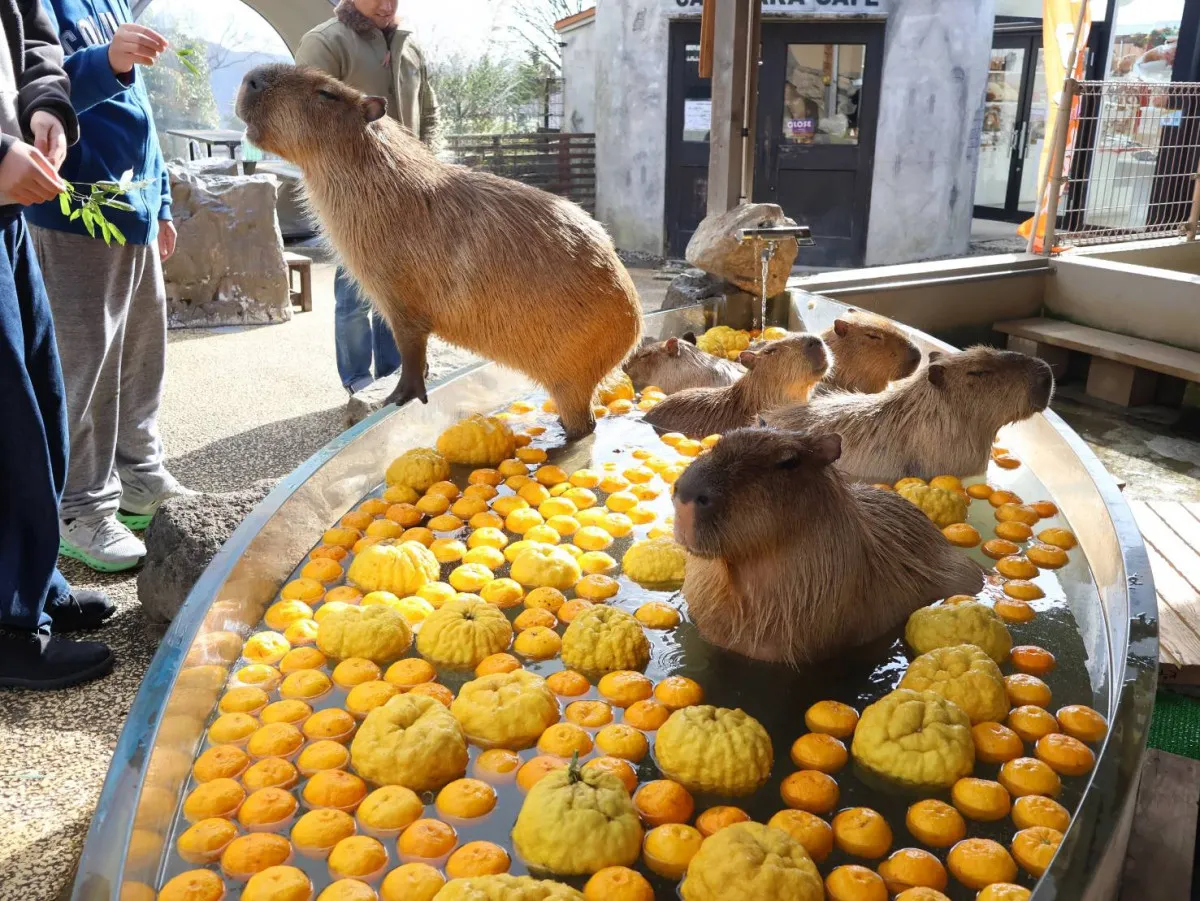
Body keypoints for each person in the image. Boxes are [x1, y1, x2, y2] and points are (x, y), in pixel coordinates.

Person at [27, 0, 193, 573]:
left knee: (142, 357)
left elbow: (139, 110)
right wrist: (105, 60)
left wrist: (162, 200)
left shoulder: (115, 3)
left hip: (135, 209)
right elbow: (30, 94)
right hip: (71, 211)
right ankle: (80, 506)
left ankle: (141, 476)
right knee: (85, 365)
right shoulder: (37, 8)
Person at [0, 0, 116, 689]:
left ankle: (31, 582)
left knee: (38, 399)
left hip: (8, 212)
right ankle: (9, 623)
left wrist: (46, 106)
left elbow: (34, 35)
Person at [295, 0, 440, 394]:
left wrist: (432, 171)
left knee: (404, 290)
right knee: (354, 291)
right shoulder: (326, 43)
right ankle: (357, 380)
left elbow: (429, 115)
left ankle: (398, 376)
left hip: (409, 192)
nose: (386, 4)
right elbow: (303, 117)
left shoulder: (411, 47)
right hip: (351, 196)